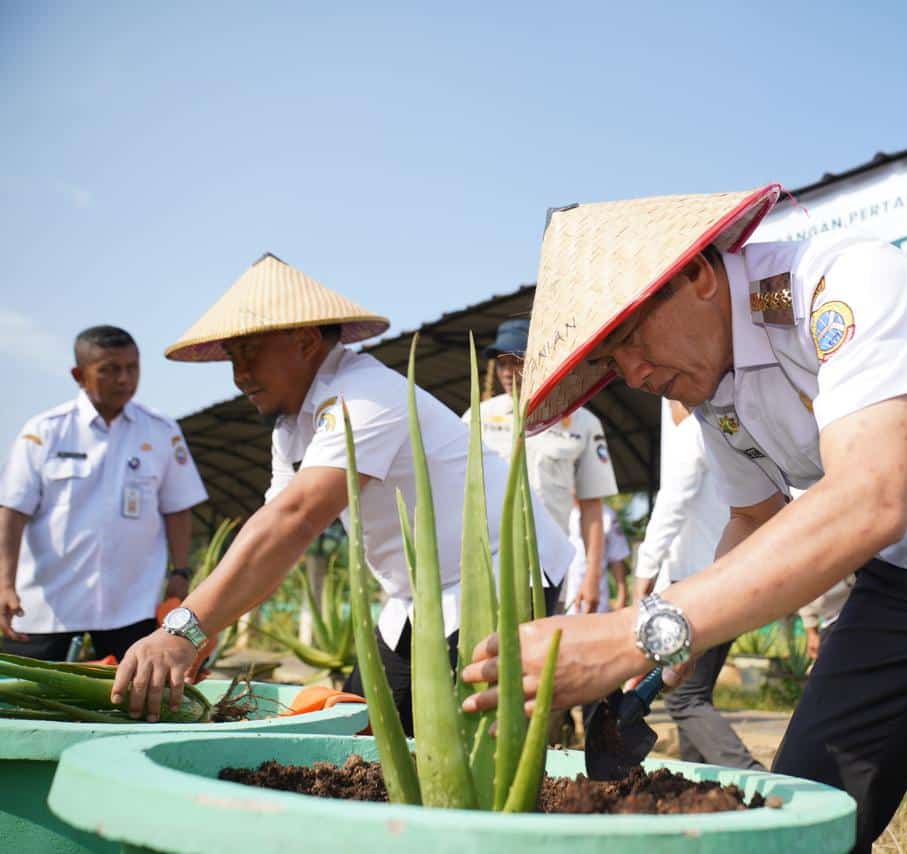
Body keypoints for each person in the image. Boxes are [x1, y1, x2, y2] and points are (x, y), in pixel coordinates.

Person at [461, 186, 907, 854]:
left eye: (629, 338)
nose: (632, 374)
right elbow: (754, 516)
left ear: (694, 275)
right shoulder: (711, 386)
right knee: (806, 814)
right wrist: (669, 642)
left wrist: (633, 633)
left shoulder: (839, 285)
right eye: (609, 361)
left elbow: (869, 498)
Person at [110, 253, 573, 729]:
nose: (239, 374)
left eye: (250, 353)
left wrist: (183, 628)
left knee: (441, 748)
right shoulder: (292, 427)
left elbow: (297, 519)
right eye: (233, 357)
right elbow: (272, 534)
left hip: (499, 578)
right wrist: (207, 623)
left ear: (306, 341)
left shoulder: (364, 395)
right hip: (420, 596)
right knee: (361, 726)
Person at [0, 326, 207, 661]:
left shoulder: (161, 432)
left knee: (133, 703)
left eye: (132, 368)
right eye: (110, 369)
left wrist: (180, 573)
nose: (124, 379)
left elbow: (177, 508)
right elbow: (12, 511)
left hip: (130, 606)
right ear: (79, 375)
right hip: (47, 606)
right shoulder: (44, 432)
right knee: (27, 702)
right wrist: (4, 583)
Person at [632, 398, 762, 771]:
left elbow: (672, 503)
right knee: (696, 691)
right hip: (729, 575)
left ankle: (754, 778)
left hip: (700, 583)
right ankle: (700, 782)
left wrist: (643, 574)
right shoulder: (727, 426)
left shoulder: (693, 431)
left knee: (683, 696)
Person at [470, 318, 619, 614]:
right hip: (488, 564)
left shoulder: (581, 422)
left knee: (538, 653)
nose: (508, 372)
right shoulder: (478, 418)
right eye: (502, 363)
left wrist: (591, 577)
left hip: (549, 567)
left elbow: (592, 507)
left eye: (519, 361)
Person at [563, 501, 629, 613]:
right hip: (562, 597)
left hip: (596, 597)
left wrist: (621, 594)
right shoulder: (561, 509)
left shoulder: (606, 514)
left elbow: (617, 558)